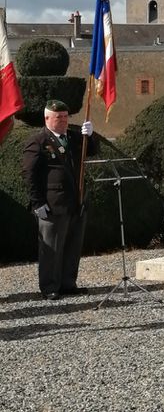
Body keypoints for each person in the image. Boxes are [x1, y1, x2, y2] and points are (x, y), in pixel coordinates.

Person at [22, 99, 97, 300]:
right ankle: (49, 287)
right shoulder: (38, 141)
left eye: (65, 117)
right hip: (52, 204)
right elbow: (29, 174)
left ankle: (68, 284)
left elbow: (91, 151)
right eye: (58, 117)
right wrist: (37, 203)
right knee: (51, 248)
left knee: (72, 247)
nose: (63, 121)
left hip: (75, 202)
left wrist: (90, 136)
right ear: (47, 118)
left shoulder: (73, 137)